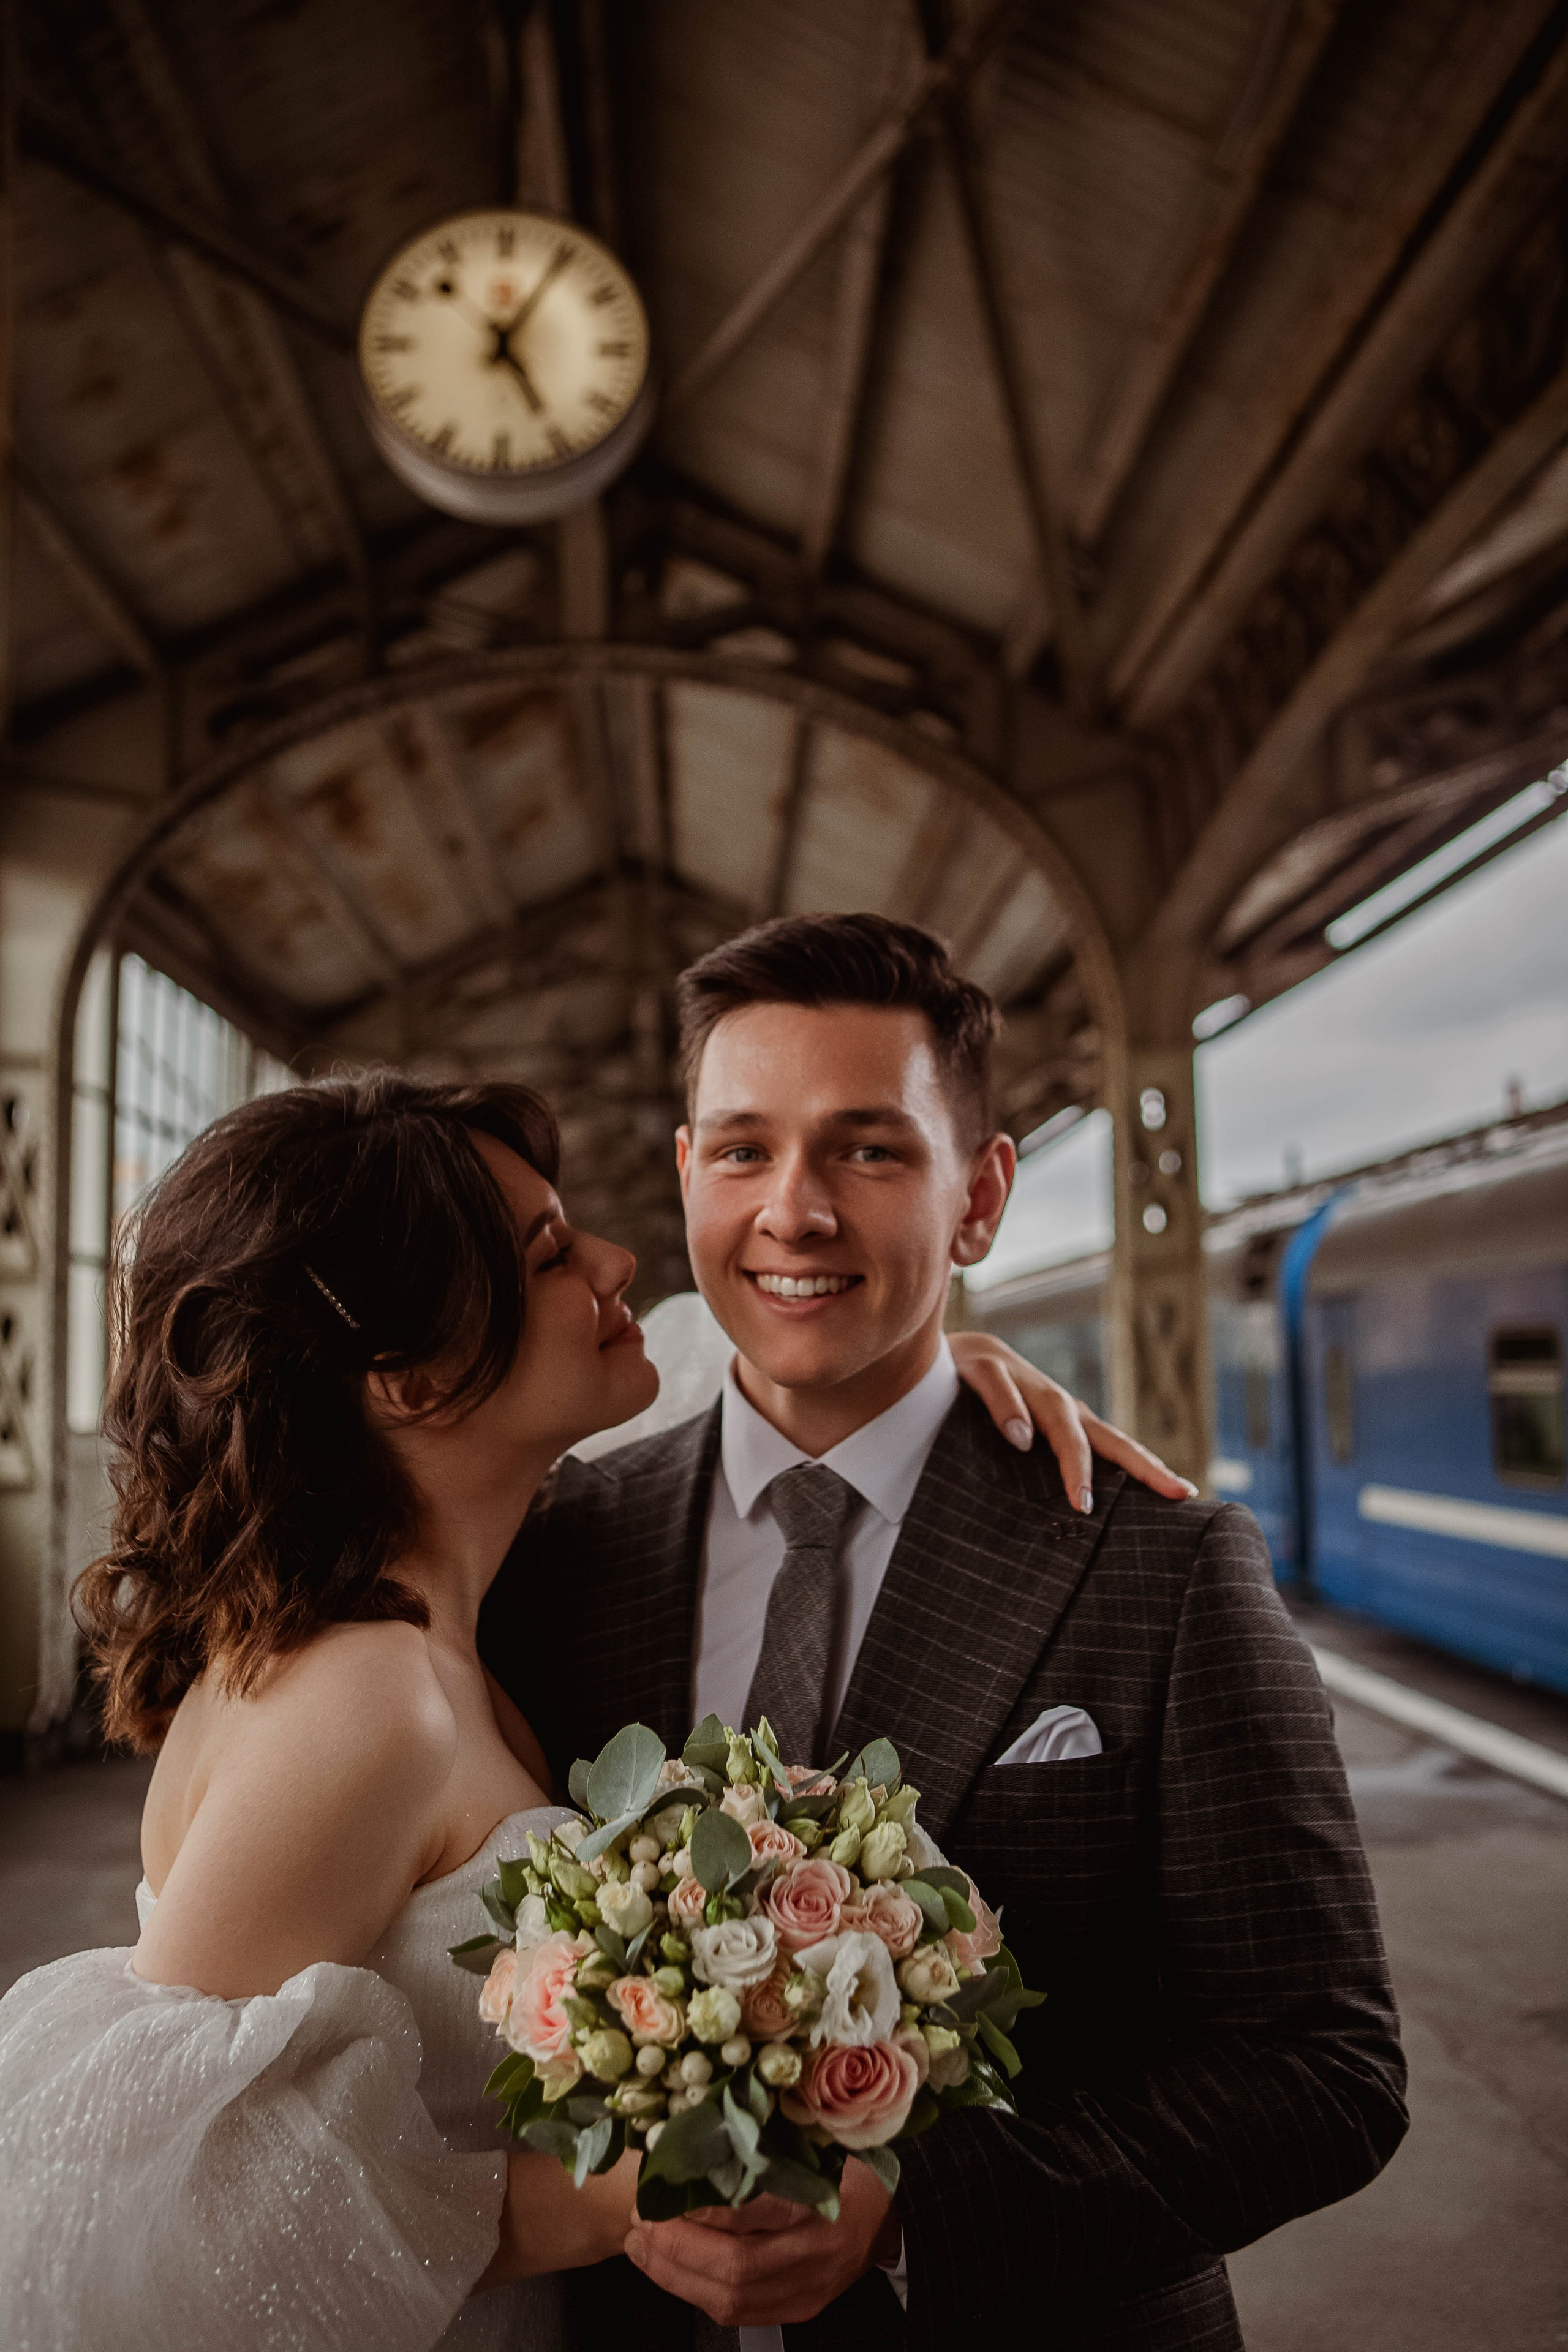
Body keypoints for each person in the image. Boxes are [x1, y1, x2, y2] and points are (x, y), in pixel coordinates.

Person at [0, 1067, 1150, 2351]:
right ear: (409, 1378)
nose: (615, 1261)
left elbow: (742, 1374)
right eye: (549, 1252)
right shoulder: (364, 1702)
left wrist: (938, 1373)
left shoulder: (448, 1609)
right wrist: (622, 2196)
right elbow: (158, 2201)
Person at [483, 913, 1409, 2352]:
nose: (792, 1211)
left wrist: (918, 2213)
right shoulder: (554, 1555)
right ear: (683, 1173)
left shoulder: (1164, 1568)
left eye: (867, 1150)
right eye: (741, 1150)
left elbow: (1323, 2068)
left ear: (978, 1198)